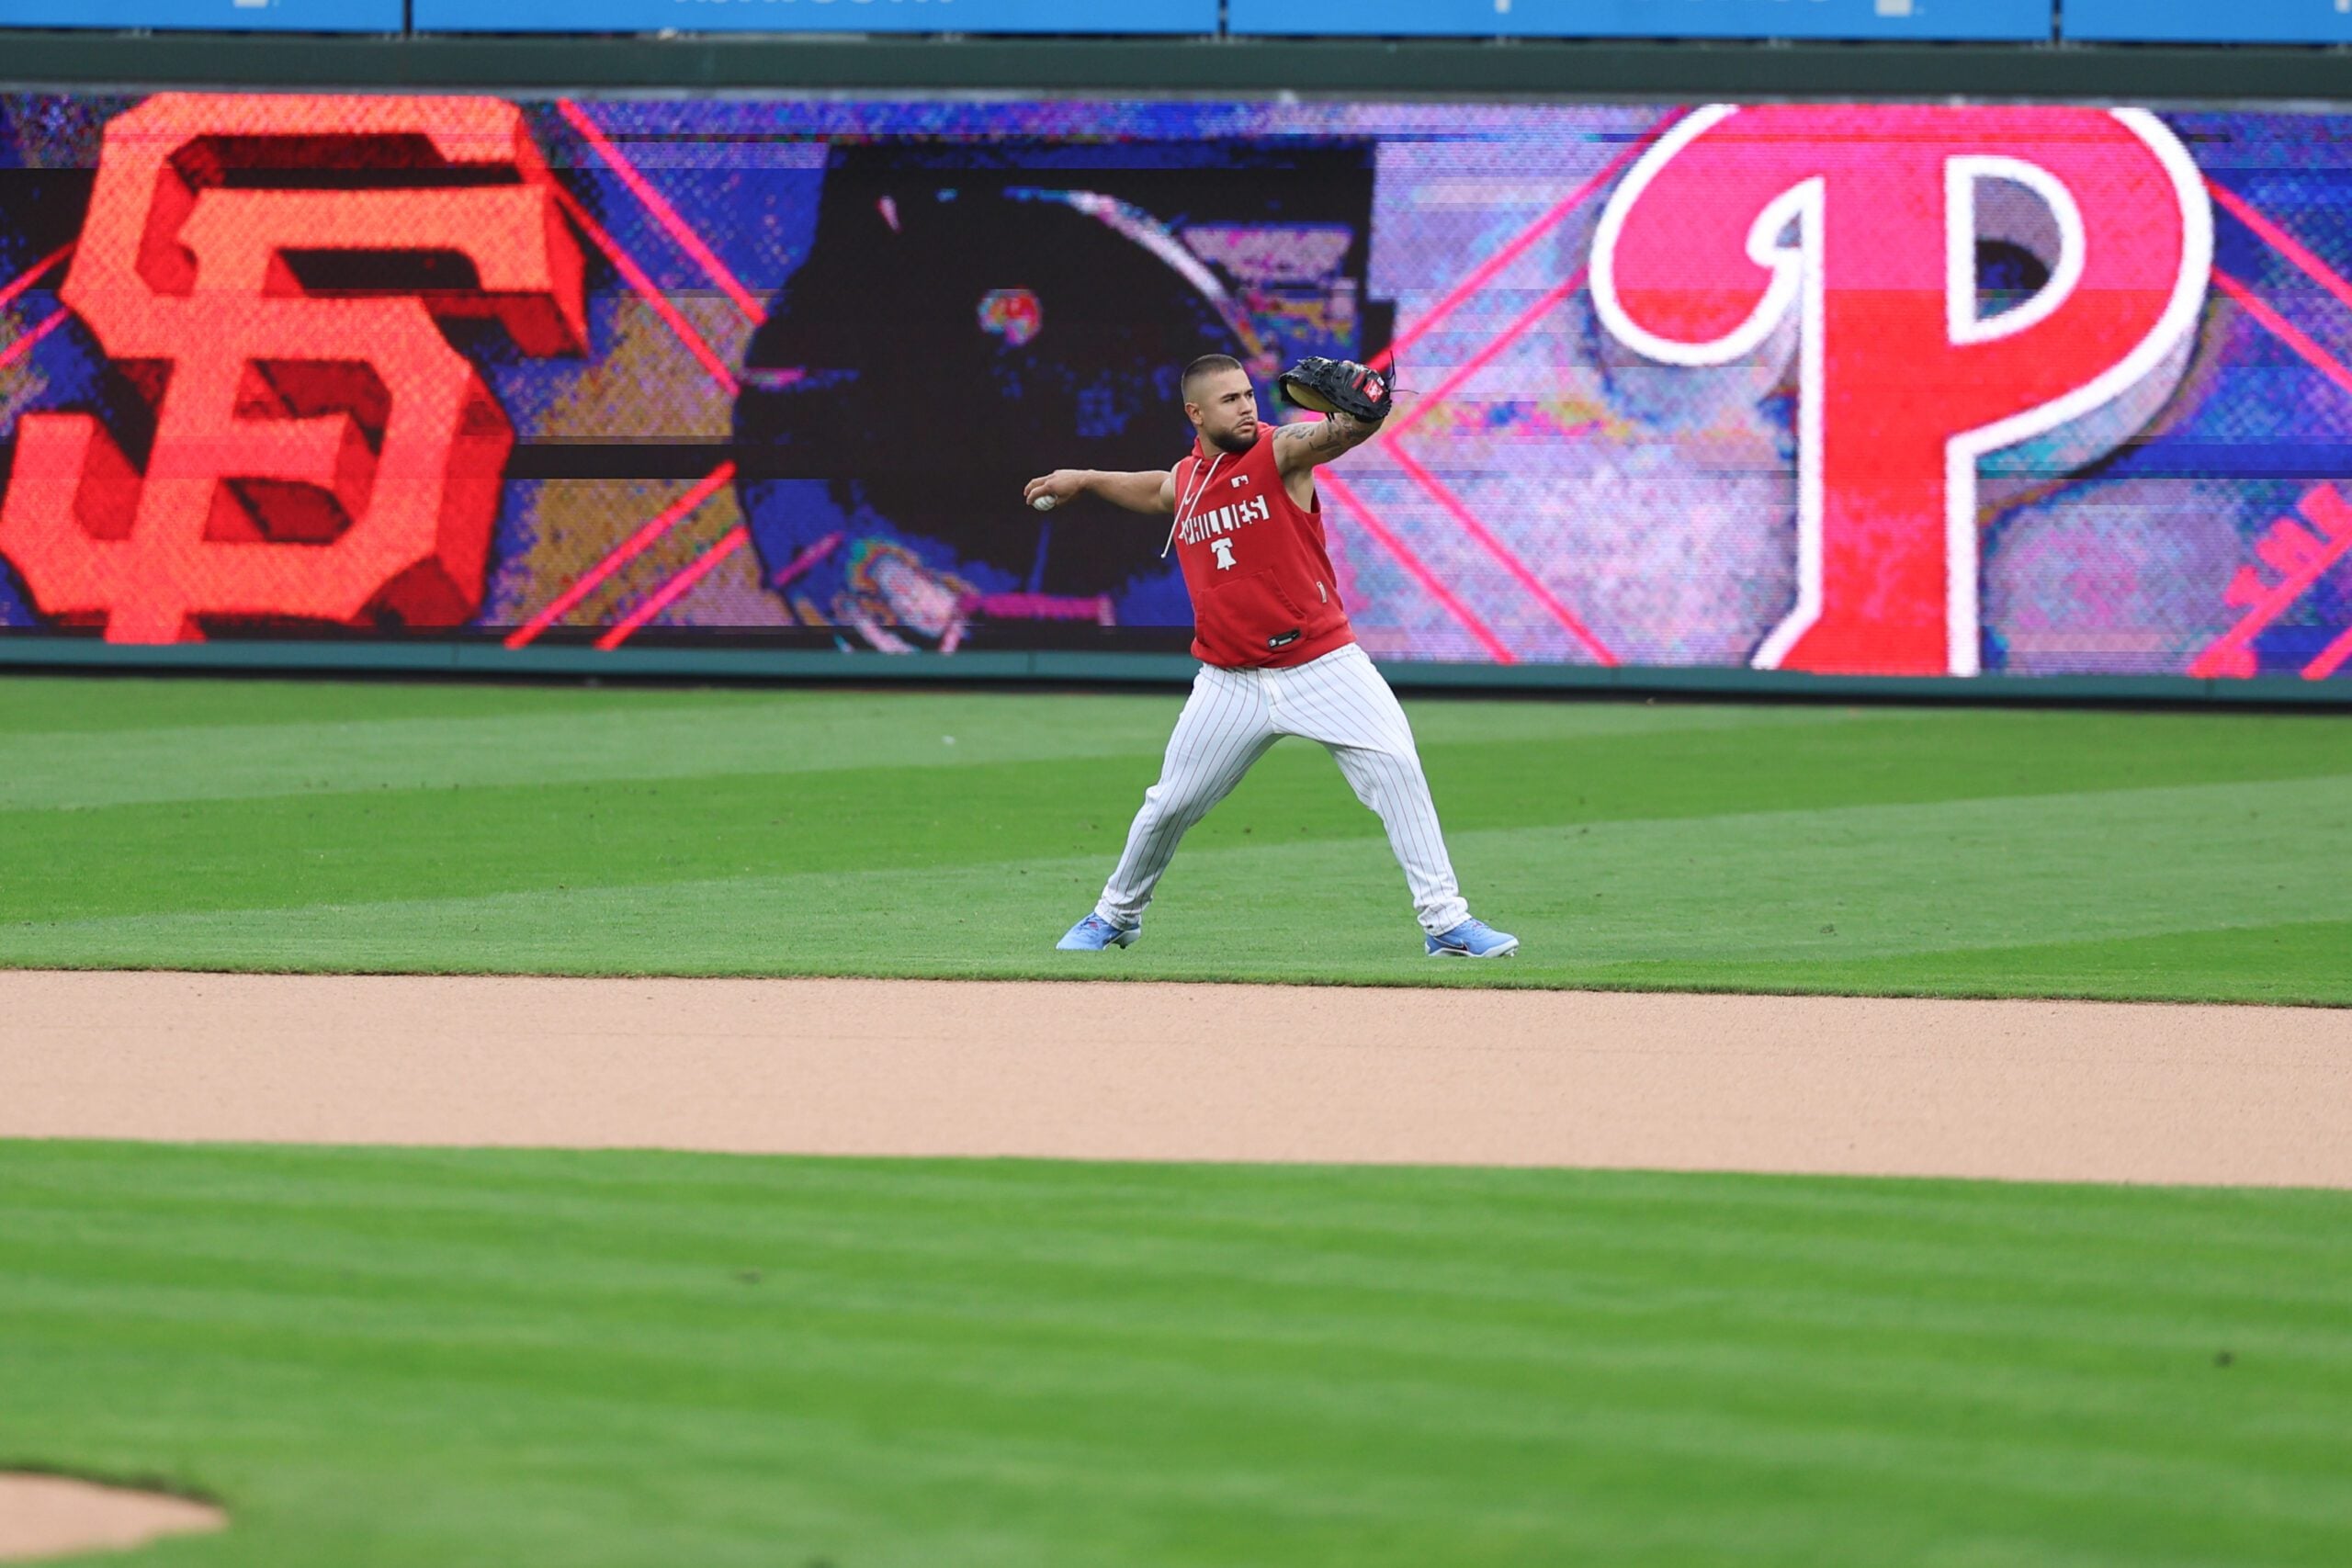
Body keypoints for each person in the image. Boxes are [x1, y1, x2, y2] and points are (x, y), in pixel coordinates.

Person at [1023, 353, 1519, 959]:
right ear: (1195, 412)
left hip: (1324, 664)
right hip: (1229, 682)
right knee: (1169, 805)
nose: (1246, 405)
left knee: (1397, 770)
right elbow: (1155, 489)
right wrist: (1086, 478)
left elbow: (1340, 433)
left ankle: (1446, 922)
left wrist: (1363, 415)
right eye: (1229, 399)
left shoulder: (1279, 451)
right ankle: (1114, 915)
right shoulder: (1189, 479)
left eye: (1248, 394)